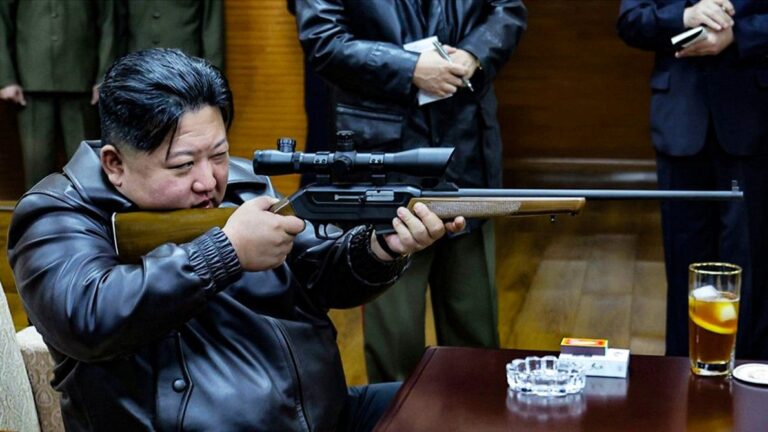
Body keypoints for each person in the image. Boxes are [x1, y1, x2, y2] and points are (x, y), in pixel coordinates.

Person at [7, 48, 465, 431]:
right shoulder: (56, 213)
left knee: (474, 402)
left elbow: (319, 281)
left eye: (219, 154)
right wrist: (226, 252)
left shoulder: (244, 181)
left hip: (323, 413)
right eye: (183, 165)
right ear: (114, 164)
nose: (209, 180)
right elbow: (87, 317)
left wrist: (380, 249)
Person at [295, 0, 528, 382]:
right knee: (394, 344)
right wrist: (410, 68)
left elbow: (507, 9)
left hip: (465, 144)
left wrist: (474, 53)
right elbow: (323, 39)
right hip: (382, 157)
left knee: (475, 336)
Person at [617, 0, 768, 359]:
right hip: (680, 121)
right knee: (684, 271)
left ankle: (750, 383)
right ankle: (684, 381)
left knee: (753, 271)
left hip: (754, 118)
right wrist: (683, 17)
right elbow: (630, 20)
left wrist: (739, 35)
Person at [0, 0, 116, 189]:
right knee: (36, 165)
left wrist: (104, 76)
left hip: (81, 79)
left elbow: (108, 22)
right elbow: (2, 21)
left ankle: (85, 208)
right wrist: (6, 79)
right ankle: (37, 207)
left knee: (85, 165)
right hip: (32, 79)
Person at [116, 0, 225, 70]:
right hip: (136, 70)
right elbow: (116, 25)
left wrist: (213, 85)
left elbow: (213, 28)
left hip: (186, 73)